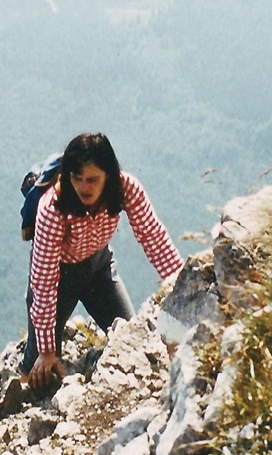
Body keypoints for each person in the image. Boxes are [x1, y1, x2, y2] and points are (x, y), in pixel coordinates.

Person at [22, 132, 183, 390]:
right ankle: (18, 400)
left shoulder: (125, 188)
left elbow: (152, 236)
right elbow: (43, 281)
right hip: (60, 276)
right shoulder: (53, 207)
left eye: (93, 179)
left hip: (100, 268)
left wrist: (181, 282)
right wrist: (46, 349)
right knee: (38, 367)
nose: (85, 187)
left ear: (108, 174)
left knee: (131, 340)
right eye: (77, 178)